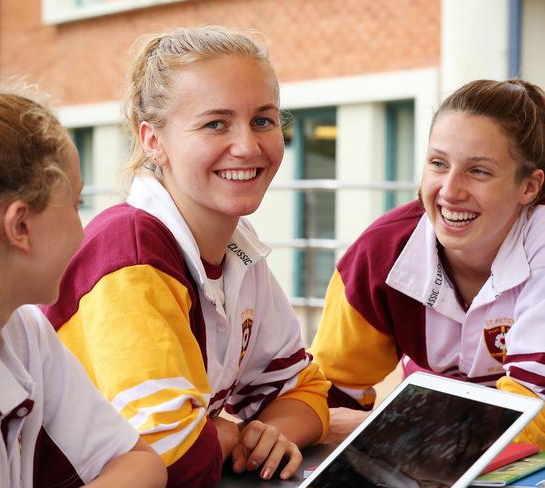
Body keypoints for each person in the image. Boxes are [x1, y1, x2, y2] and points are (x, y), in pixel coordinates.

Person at [42, 26, 330, 486]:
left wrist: (268, 433)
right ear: (152, 140)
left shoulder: (239, 247)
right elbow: (171, 458)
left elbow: (307, 389)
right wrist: (235, 434)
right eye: (216, 123)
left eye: (263, 120)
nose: (248, 146)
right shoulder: (130, 252)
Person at [0, 66, 167, 487]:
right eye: (75, 203)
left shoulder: (18, 328)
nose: (84, 227)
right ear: (20, 226)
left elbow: (139, 464)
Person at [310, 79, 545, 446]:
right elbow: (325, 396)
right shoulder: (380, 255)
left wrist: (383, 430)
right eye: (438, 163)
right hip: (429, 456)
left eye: (478, 170)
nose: (450, 191)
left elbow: (532, 417)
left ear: (529, 187)